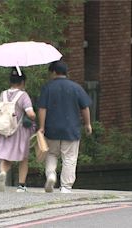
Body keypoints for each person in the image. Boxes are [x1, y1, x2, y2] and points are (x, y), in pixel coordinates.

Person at [38, 60, 92, 194]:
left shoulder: (48, 87)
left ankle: (51, 175)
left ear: (54, 72)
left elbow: (42, 109)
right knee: (69, 157)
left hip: (52, 129)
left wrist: (42, 127)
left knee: (51, 154)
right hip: (71, 129)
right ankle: (66, 187)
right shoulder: (76, 87)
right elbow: (85, 107)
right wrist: (88, 124)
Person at [0, 68, 36, 193]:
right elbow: (30, 113)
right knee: (23, 157)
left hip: (4, 130)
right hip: (18, 131)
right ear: (23, 82)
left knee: (6, 158)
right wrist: (33, 117)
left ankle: (2, 173)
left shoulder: (3, 94)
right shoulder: (23, 96)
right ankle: (21, 185)